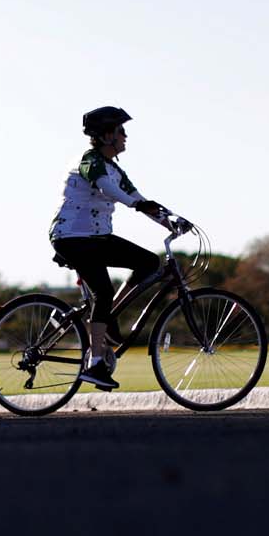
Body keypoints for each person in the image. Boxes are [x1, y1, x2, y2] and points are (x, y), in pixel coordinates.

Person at [49, 106, 190, 390]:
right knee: (102, 291)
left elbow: (138, 198)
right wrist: (136, 204)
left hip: (97, 238)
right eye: (121, 131)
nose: (125, 136)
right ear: (106, 136)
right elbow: (105, 189)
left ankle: (108, 313)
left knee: (150, 263)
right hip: (72, 237)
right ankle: (95, 364)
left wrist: (171, 221)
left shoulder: (115, 169)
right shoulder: (90, 162)